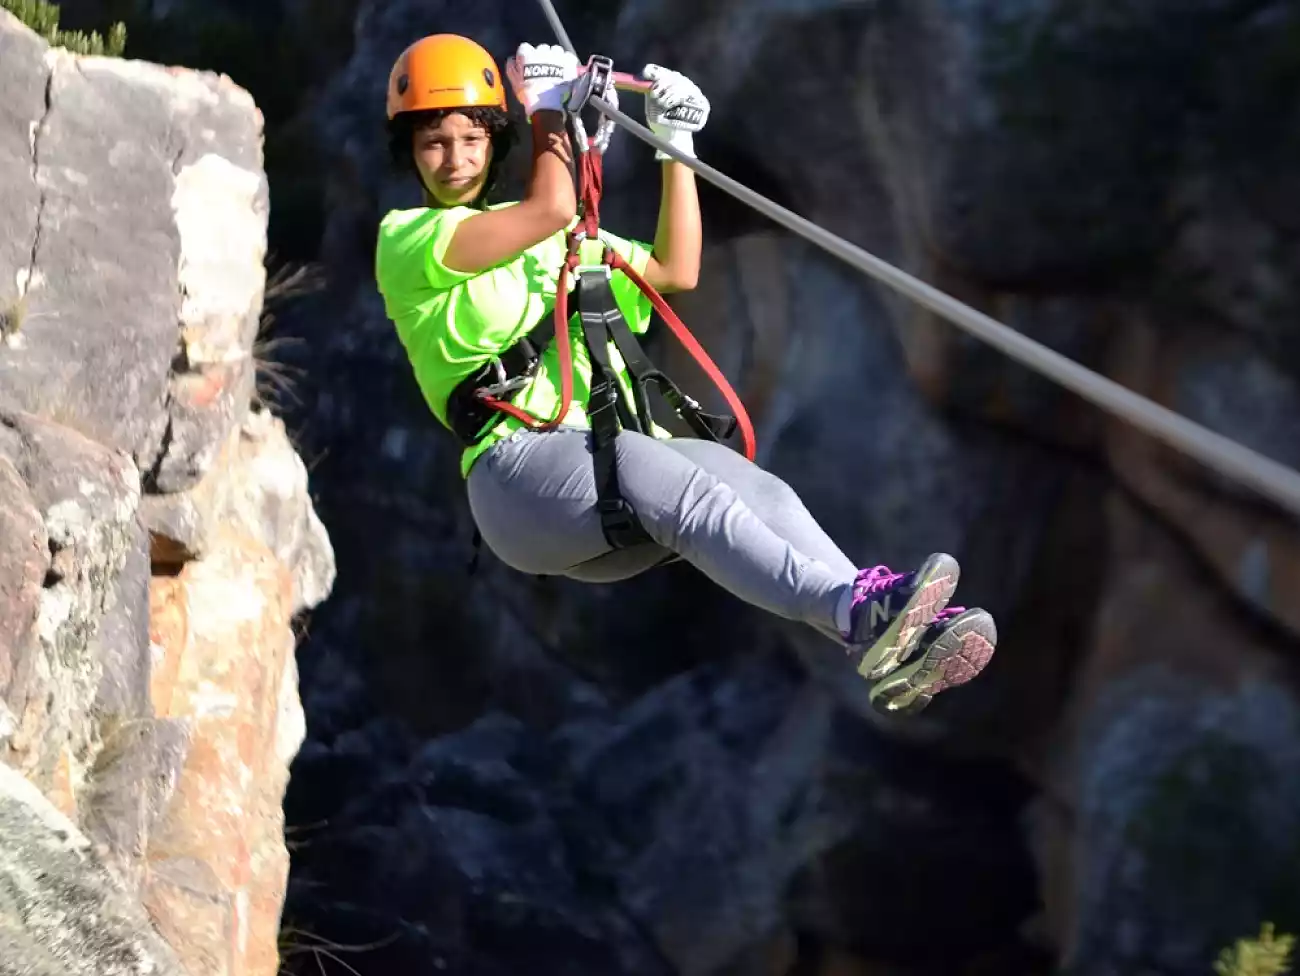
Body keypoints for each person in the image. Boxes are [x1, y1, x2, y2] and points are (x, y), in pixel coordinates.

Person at [373, 33, 997, 714]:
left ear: (494, 140)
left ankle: (887, 634)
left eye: (470, 138)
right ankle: (855, 611)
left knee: (748, 484)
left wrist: (677, 150)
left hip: (603, 486)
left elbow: (675, 269)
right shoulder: (409, 241)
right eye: (435, 142)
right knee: (665, 471)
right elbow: (550, 207)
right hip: (520, 483)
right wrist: (549, 111)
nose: (456, 158)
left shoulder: (552, 240)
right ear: (409, 150)